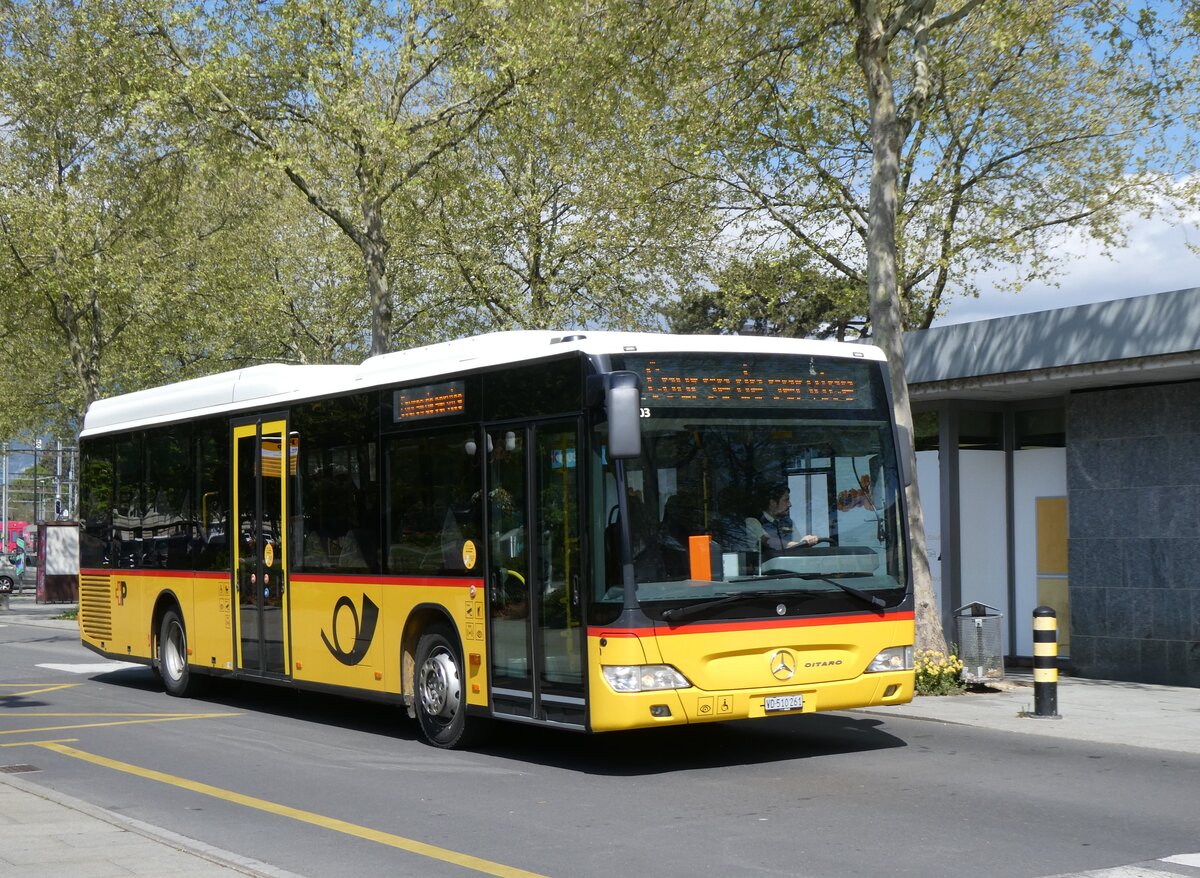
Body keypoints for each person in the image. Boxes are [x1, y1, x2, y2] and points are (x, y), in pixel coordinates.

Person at [746, 483, 818, 552]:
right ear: (773, 503)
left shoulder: (788, 522)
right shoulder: (753, 521)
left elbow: (798, 545)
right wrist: (802, 544)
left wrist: (805, 542)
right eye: (786, 500)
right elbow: (768, 541)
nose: (790, 504)